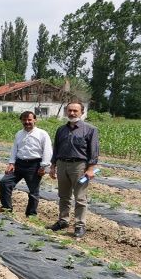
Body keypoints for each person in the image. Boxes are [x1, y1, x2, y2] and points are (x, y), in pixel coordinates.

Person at [47, 100, 99, 238]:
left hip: (79, 166)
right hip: (62, 164)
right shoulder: (61, 129)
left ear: (82, 112)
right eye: (69, 110)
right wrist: (53, 166)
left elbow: (94, 151)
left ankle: (79, 225)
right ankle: (63, 221)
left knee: (80, 197)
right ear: (66, 112)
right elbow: (56, 149)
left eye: (75, 111)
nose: (72, 113)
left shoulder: (90, 129)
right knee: (63, 196)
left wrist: (90, 169)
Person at [0, 111, 52, 217]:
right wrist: (11, 163)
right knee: (5, 182)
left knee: (33, 191)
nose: (27, 122)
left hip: (34, 165)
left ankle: (31, 214)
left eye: (29, 120)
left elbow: (47, 150)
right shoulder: (19, 134)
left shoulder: (42, 134)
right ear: (21, 120)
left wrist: (44, 166)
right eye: (24, 120)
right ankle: (7, 207)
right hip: (19, 164)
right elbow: (14, 149)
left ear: (35, 120)